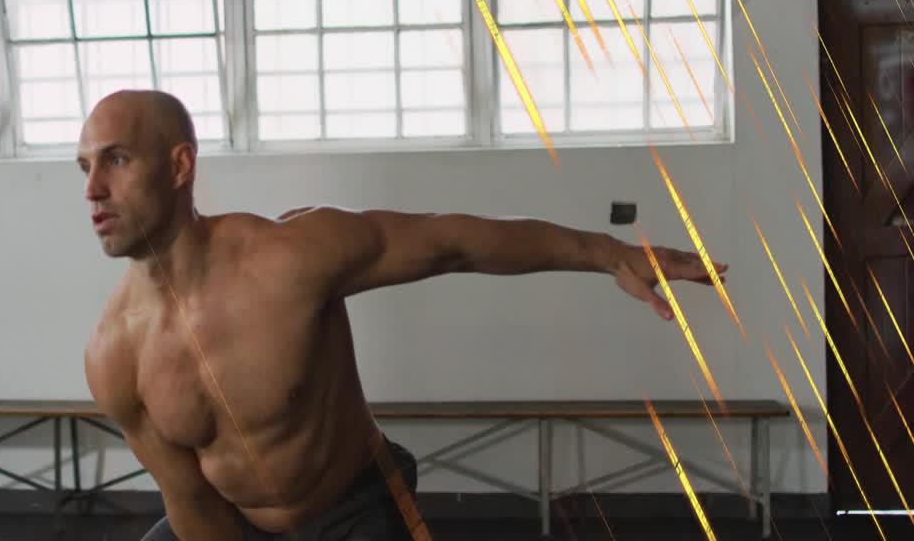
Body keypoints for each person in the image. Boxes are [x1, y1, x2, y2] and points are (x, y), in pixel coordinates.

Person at [78, 90, 728, 541]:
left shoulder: (287, 260)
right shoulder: (115, 357)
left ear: (180, 165)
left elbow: (454, 243)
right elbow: (192, 504)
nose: (92, 190)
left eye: (117, 159)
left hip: (353, 504)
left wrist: (605, 251)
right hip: (233, 522)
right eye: (84, 167)